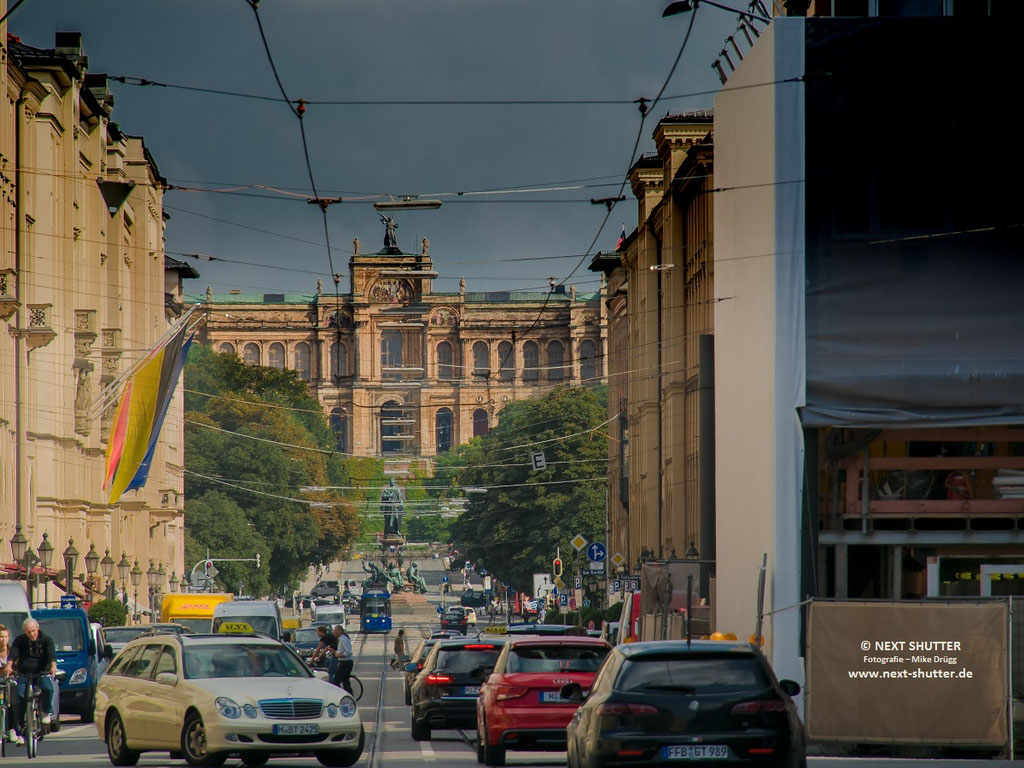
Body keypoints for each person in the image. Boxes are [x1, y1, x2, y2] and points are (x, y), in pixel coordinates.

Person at [5, 618, 57, 740]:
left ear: (37, 628)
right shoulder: (20, 640)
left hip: (41, 672)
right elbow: (13, 653)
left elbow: (51, 655)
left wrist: (53, 667)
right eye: (28, 632)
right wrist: (9, 665)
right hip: (24, 672)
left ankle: (45, 711)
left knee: (48, 689)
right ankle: (19, 725)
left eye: (33, 631)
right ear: (25, 632)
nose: (31, 634)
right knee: (20, 696)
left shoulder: (46, 639)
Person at [0, 624, 20, 746]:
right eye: (0, 637)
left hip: (10, 681)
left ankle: (12, 729)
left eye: (5, 637)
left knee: (12, 703)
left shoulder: (13, 652)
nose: (2, 639)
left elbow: (18, 667)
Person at [332, 626, 354, 694]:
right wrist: (335, 652)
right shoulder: (341, 639)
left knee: (336, 681)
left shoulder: (343, 639)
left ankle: (341, 694)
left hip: (345, 663)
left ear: (339, 631)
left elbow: (348, 651)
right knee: (345, 681)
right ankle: (349, 695)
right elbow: (341, 650)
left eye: (335, 631)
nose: (333, 633)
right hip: (344, 662)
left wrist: (339, 655)